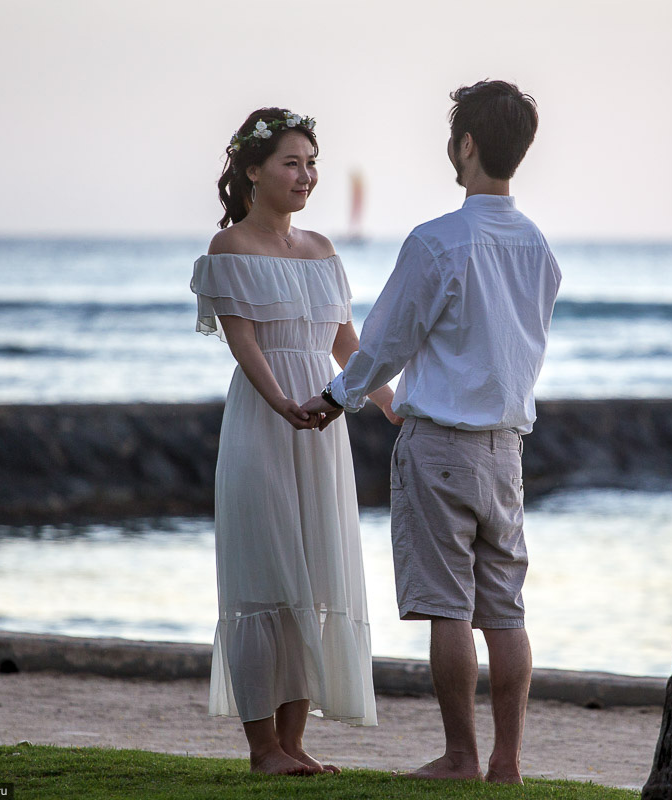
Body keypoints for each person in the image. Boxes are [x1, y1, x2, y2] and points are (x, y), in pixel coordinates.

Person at [302, 80, 561, 784]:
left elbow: (384, 342)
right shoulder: (539, 248)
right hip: (506, 450)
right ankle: (506, 763)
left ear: (467, 144)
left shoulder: (438, 241)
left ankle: (460, 757)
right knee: (504, 611)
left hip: (442, 445)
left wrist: (336, 397)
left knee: (449, 607)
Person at [191, 107, 399, 776]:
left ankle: (294, 744)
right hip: (263, 421)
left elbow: (347, 344)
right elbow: (243, 339)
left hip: (321, 426)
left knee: (309, 579)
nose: (306, 175)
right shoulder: (231, 248)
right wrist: (280, 400)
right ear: (252, 171)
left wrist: (393, 404)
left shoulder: (322, 251)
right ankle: (261, 750)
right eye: (292, 162)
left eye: (312, 163)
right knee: (262, 579)